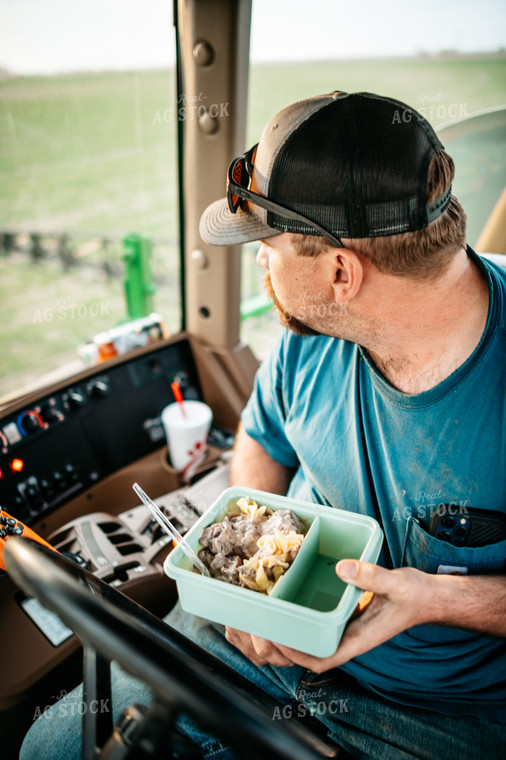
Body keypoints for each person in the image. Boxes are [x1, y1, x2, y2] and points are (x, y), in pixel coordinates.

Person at [21, 91, 506, 759]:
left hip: (440, 711)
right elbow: (261, 438)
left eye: (267, 246)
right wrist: (248, 587)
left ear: (341, 271)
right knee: (52, 748)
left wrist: (438, 600)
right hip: (259, 649)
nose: (258, 263)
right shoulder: (313, 331)